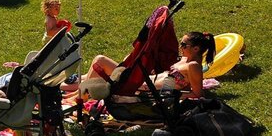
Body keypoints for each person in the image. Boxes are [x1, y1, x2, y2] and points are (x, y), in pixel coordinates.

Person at [83, 31, 215, 100]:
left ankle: (80, 97)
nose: (180, 47)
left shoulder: (193, 66)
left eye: (184, 45)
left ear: (196, 49)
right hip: (141, 79)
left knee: (100, 60)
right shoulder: (185, 60)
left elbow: (198, 94)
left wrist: (169, 96)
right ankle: (80, 93)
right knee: (100, 63)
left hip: (138, 85)